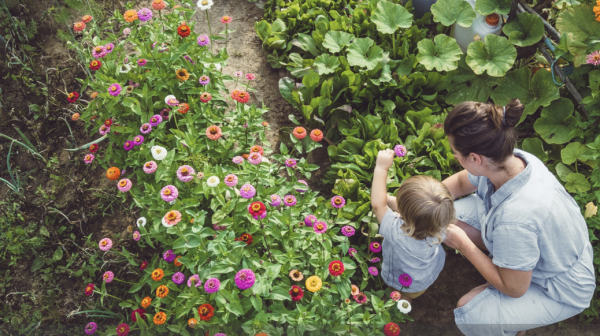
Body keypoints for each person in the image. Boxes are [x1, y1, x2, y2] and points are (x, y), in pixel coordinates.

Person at [441, 99, 596, 336]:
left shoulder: (515, 219)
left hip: (560, 287)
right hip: (547, 250)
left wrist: (463, 244)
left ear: (475, 158)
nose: (454, 157)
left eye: (456, 153)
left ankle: (512, 320)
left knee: (471, 312)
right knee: (444, 215)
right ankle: (510, 297)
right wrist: (425, 199)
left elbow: (514, 288)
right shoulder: (510, 160)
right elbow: (462, 182)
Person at [372, 149, 455, 303]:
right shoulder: (441, 226)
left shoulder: (396, 232)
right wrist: (391, 201)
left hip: (401, 281)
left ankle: (399, 306)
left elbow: (377, 204)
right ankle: (406, 303)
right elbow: (419, 217)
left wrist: (381, 168)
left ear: (404, 215)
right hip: (423, 279)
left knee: (399, 296)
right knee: (409, 296)